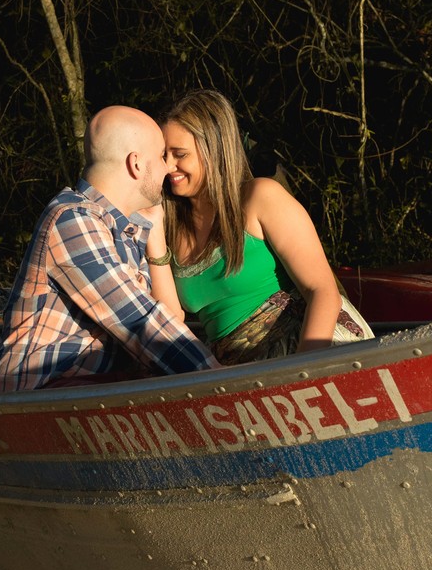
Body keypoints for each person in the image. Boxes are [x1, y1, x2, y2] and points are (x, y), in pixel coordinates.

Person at [0, 105, 219, 392]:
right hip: (45, 398)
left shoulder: (123, 230)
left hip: (96, 392)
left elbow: (165, 320)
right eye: (162, 156)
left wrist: (154, 233)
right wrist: (224, 384)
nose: (168, 167)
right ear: (136, 164)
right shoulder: (72, 220)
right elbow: (142, 323)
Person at [150, 88, 373, 366]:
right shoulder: (166, 224)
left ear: (214, 150)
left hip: (309, 349)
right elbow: (168, 319)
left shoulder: (260, 197)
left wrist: (302, 371)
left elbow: (322, 291)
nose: (168, 166)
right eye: (163, 155)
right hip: (234, 369)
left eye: (179, 154)